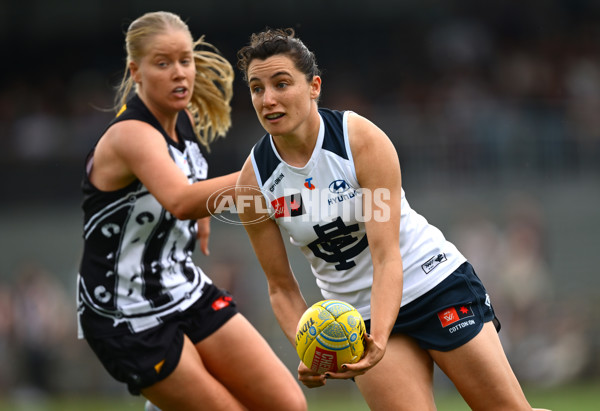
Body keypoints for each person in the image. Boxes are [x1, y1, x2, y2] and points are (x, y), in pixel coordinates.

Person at [235, 28, 550, 411]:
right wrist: (309, 347)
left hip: (432, 285)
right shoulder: (252, 184)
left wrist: (381, 335)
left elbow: (387, 256)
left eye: (281, 84)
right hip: (358, 321)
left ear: (314, 86)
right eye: (256, 88)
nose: (268, 99)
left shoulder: (361, 141)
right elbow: (280, 288)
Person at [77, 13, 306, 411]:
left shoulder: (179, 121)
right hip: (126, 313)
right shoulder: (130, 134)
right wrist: (274, 170)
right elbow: (180, 198)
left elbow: (186, 191)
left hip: (182, 288)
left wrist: (201, 211)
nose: (179, 73)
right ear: (136, 71)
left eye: (185, 60)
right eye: (163, 63)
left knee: (289, 405)